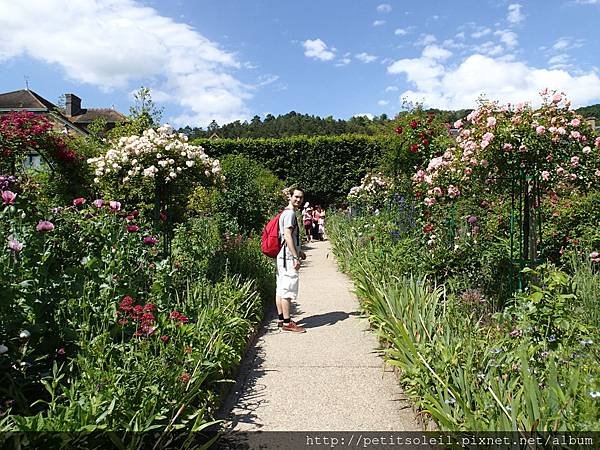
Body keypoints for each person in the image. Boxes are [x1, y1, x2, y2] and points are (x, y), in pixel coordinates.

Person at [276, 188, 307, 333]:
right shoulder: (289, 214)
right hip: (287, 257)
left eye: (301, 198)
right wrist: (295, 256)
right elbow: (287, 235)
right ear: (290, 196)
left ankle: (282, 319)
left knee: (281, 288)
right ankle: (287, 323)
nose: (298, 200)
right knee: (287, 289)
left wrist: (299, 251)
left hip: (282, 256)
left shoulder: (284, 212)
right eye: (296, 197)